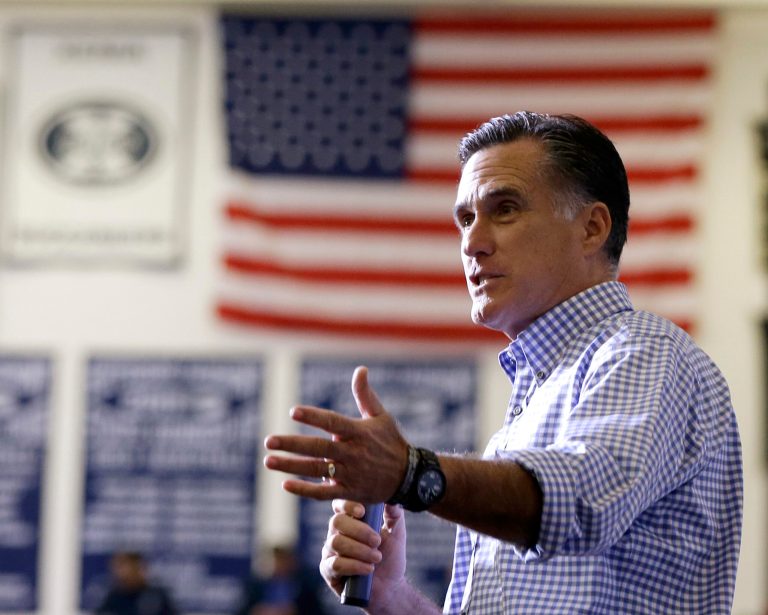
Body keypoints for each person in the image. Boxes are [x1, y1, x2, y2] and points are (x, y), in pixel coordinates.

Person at [263, 111, 743, 614]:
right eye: (465, 219)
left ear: (592, 228)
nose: (472, 242)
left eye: (505, 209)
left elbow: (580, 504)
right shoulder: (524, 416)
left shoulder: (646, 352)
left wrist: (409, 474)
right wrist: (391, 595)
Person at [232, 544, 329, 615]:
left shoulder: (306, 586)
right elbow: (241, 610)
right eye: (274, 561)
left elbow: (318, 611)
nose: (277, 565)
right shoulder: (255, 586)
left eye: (281, 560)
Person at [94, 551, 178, 615]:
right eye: (116, 567)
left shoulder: (157, 596)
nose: (120, 573)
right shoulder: (113, 599)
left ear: (138, 567)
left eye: (124, 566)